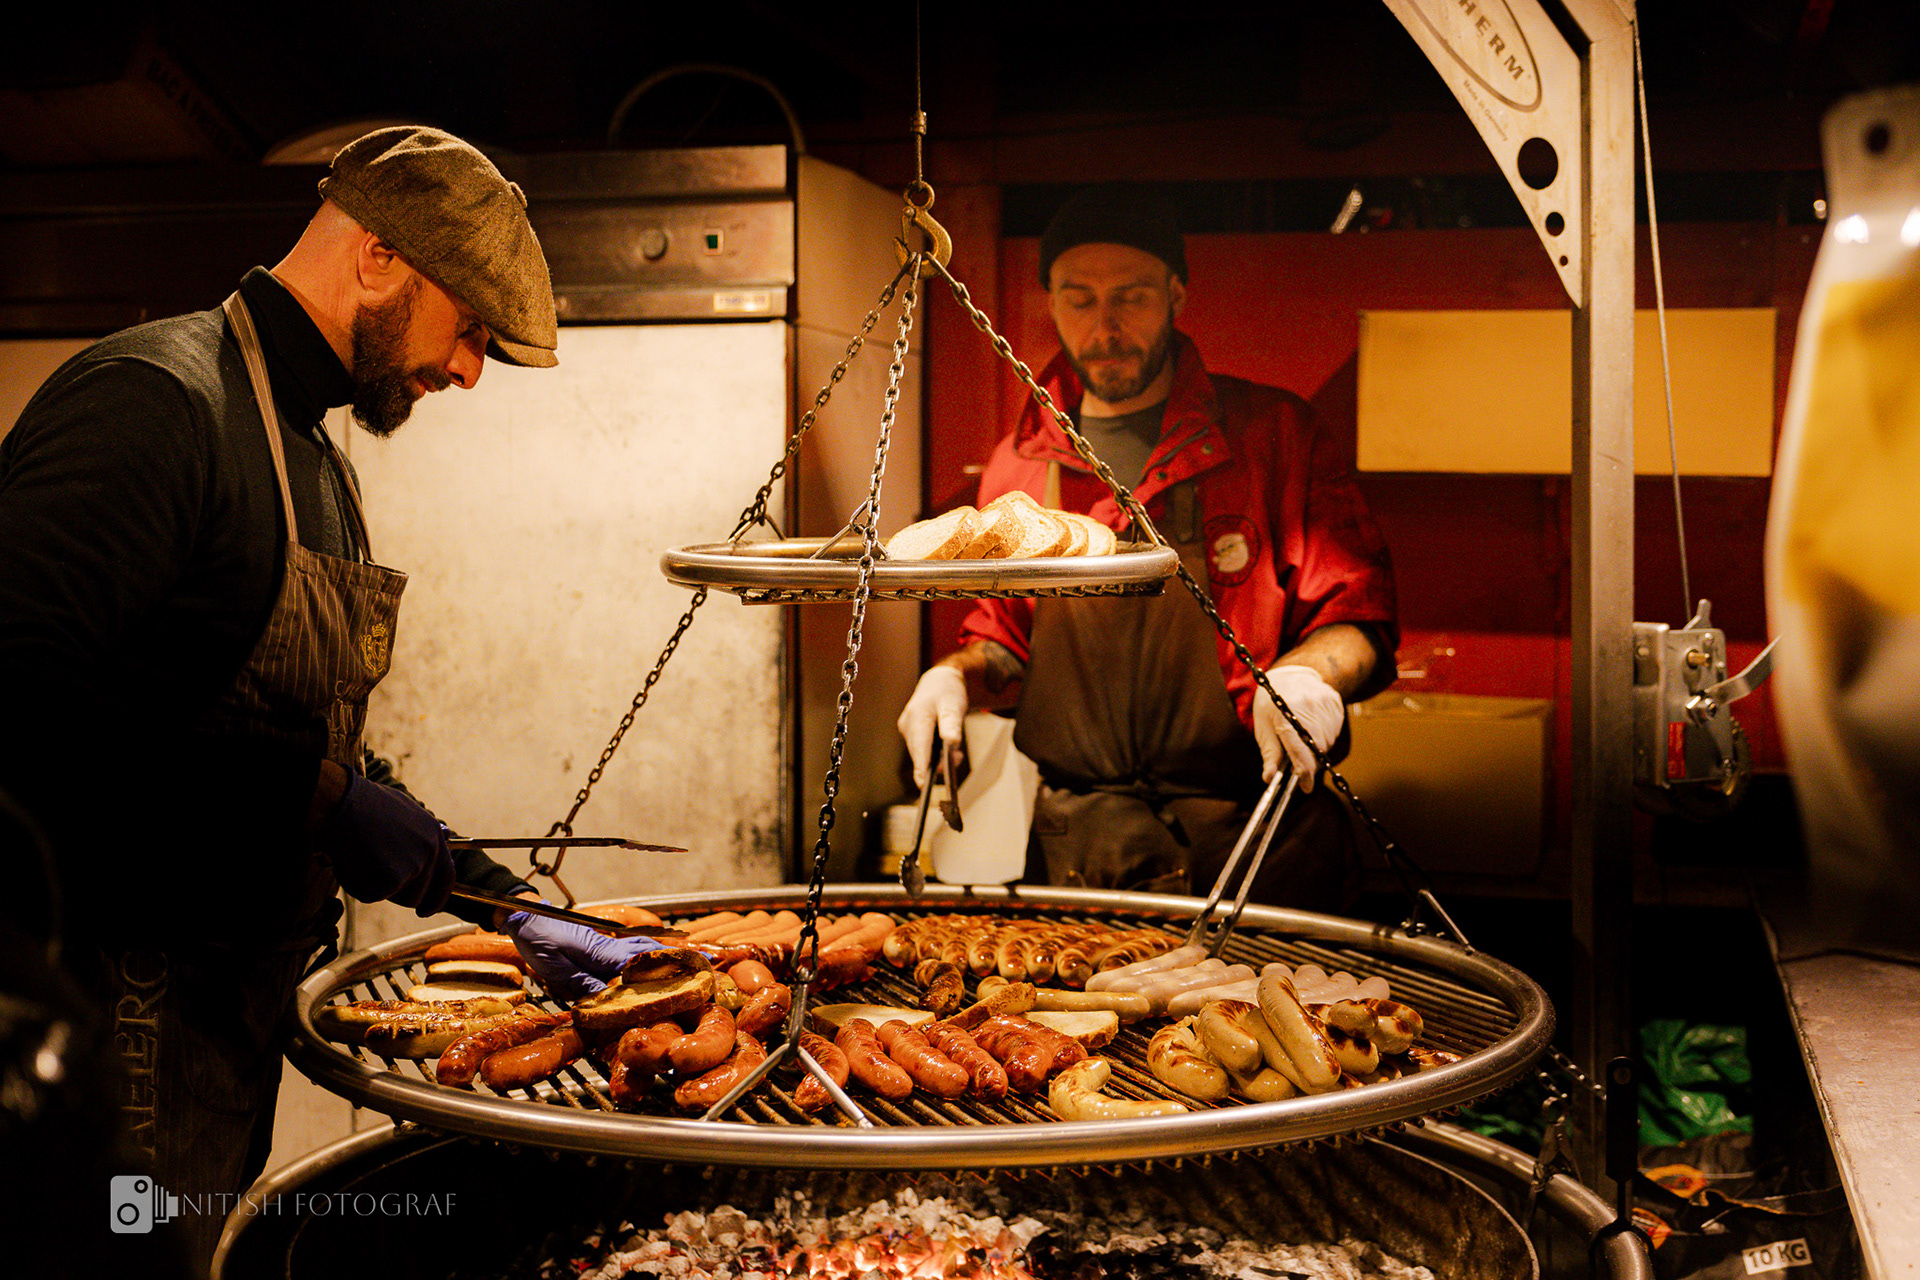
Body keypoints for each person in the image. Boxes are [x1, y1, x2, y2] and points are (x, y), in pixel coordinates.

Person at [0, 126, 653, 1270]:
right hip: (120, 1009)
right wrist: (313, 794)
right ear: (380, 258)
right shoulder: (155, 404)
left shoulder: (314, 459)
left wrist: (493, 896)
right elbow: (22, 709)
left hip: (224, 1017)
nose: (466, 371)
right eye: (471, 330)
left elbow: (298, 742)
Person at [897, 187, 1398, 908]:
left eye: (1130, 297)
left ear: (1175, 292)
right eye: (1079, 299)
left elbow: (1360, 619)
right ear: (1051, 303)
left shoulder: (1273, 436)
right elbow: (1006, 643)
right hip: (1079, 852)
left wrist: (1306, 676)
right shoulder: (1021, 465)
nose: (1106, 327)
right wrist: (951, 676)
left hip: (1258, 839)